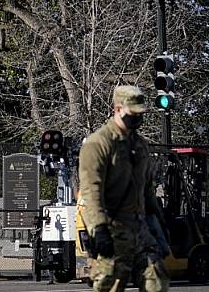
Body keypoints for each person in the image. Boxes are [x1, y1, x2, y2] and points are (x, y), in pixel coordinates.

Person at [79, 85, 169, 292]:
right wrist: (99, 229)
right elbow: (91, 191)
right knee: (111, 284)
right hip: (112, 229)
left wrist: (158, 218)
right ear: (118, 109)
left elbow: (146, 187)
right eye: (133, 113)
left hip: (140, 227)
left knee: (157, 281)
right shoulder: (98, 144)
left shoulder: (140, 145)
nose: (138, 118)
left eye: (141, 113)